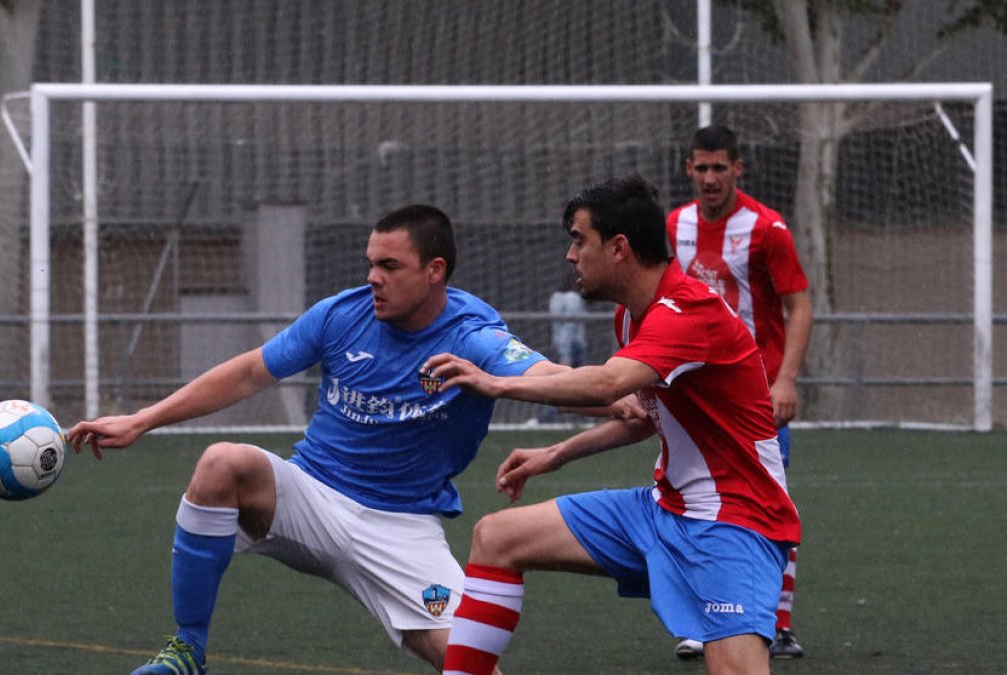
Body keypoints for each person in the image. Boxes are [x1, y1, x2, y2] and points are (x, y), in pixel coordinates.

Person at [66, 204, 568, 675]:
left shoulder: (472, 335)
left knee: (473, 665)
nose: (374, 277)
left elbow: (549, 377)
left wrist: (617, 390)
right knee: (222, 462)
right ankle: (187, 648)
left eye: (390, 266)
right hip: (309, 498)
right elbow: (247, 374)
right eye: (371, 263)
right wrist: (142, 420)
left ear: (435, 270)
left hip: (401, 529)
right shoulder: (339, 315)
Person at [423, 175, 800, 675]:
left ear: (619, 248)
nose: (570, 255)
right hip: (662, 513)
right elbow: (644, 416)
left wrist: (494, 382)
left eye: (579, 240)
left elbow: (606, 385)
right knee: (497, 536)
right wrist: (556, 454)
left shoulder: (689, 311)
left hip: (735, 524)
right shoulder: (630, 316)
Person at [667, 124, 813, 660]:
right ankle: (703, 619)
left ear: (737, 169)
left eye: (719, 168)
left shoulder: (768, 229)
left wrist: (787, 379)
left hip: (757, 395)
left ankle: (776, 623)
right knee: (688, 499)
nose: (709, 178)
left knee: (766, 501)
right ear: (688, 169)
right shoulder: (673, 225)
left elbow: (800, 305)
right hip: (695, 394)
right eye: (700, 168)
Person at [535, 273, 588, 423]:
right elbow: (568, 327)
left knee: (559, 384)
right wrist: (566, 354)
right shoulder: (574, 299)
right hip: (572, 346)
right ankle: (548, 417)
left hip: (557, 344)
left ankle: (576, 418)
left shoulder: (555, 297)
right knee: (576, 385)